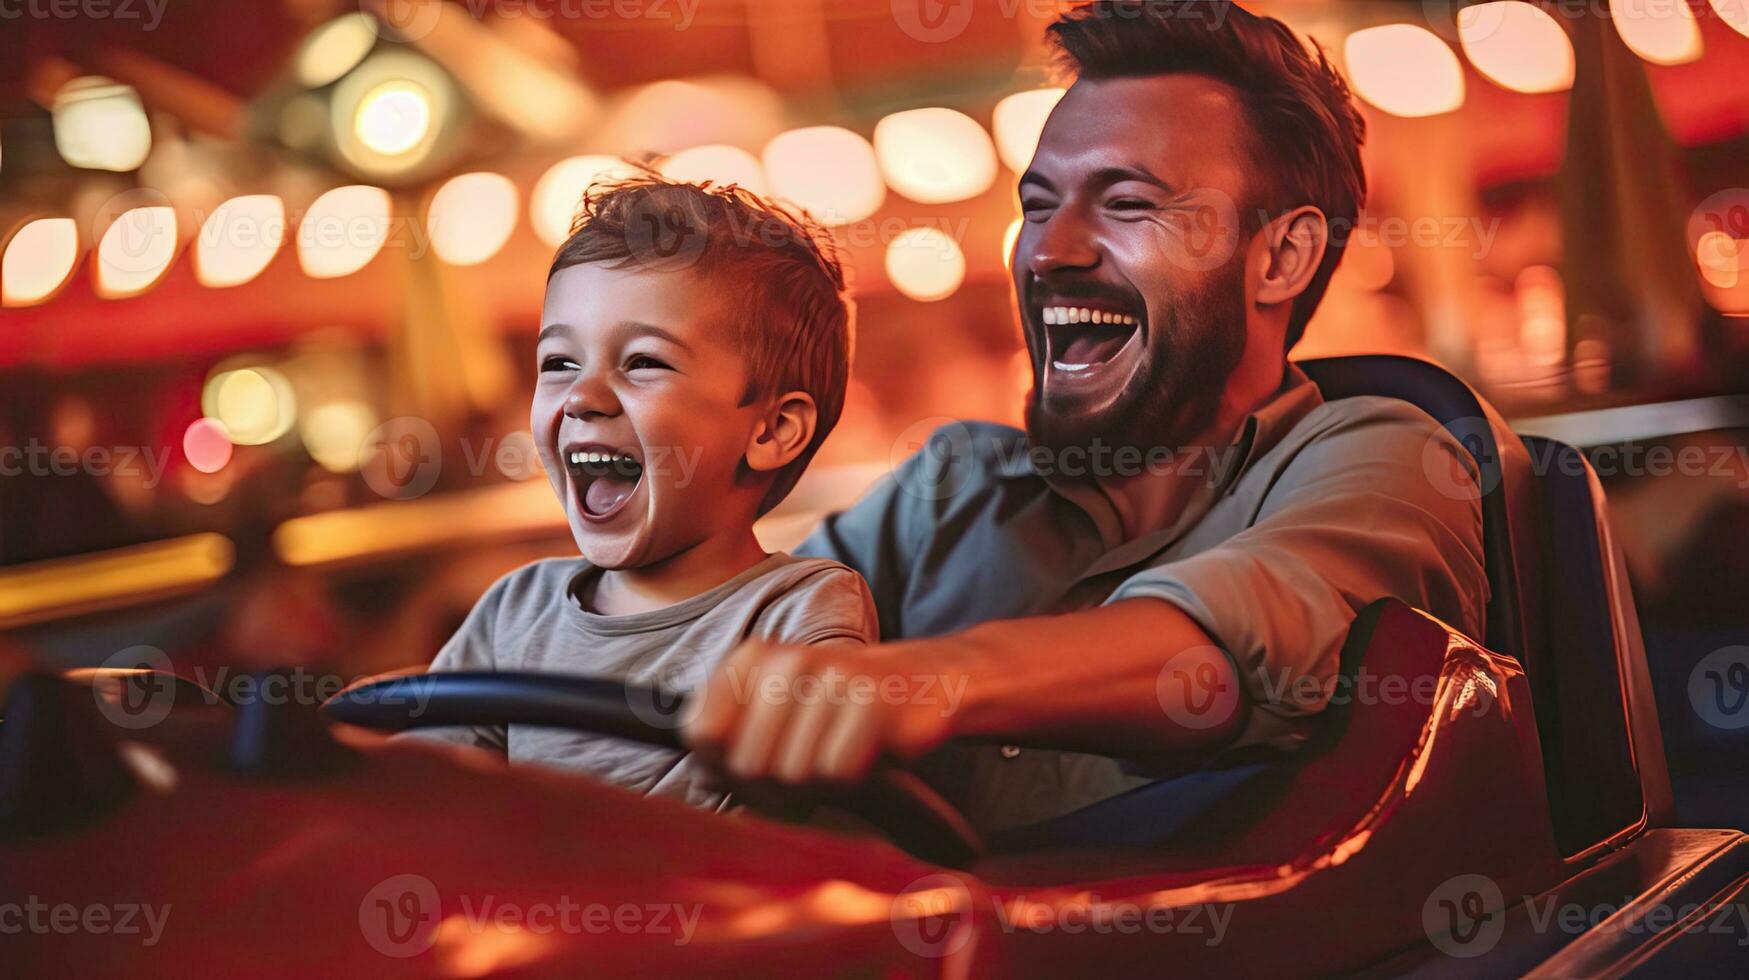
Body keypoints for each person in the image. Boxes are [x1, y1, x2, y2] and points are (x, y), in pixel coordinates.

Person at [682, 0, 1490, 836]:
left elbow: (1222, 655)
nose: (1050, 251)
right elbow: (717, 649)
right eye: (1037, 206)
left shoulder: (1383, 458)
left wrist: (924, 683)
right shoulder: (953, 489)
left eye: (1128, 203)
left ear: (1280, 256)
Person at [408, 176, 878, 810]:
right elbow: (425, 800)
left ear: (770, 430)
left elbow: (806, 791)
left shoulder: (798, 609)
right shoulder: (514, 611)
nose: (581, 397)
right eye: (558, 363)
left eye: (643, 362)